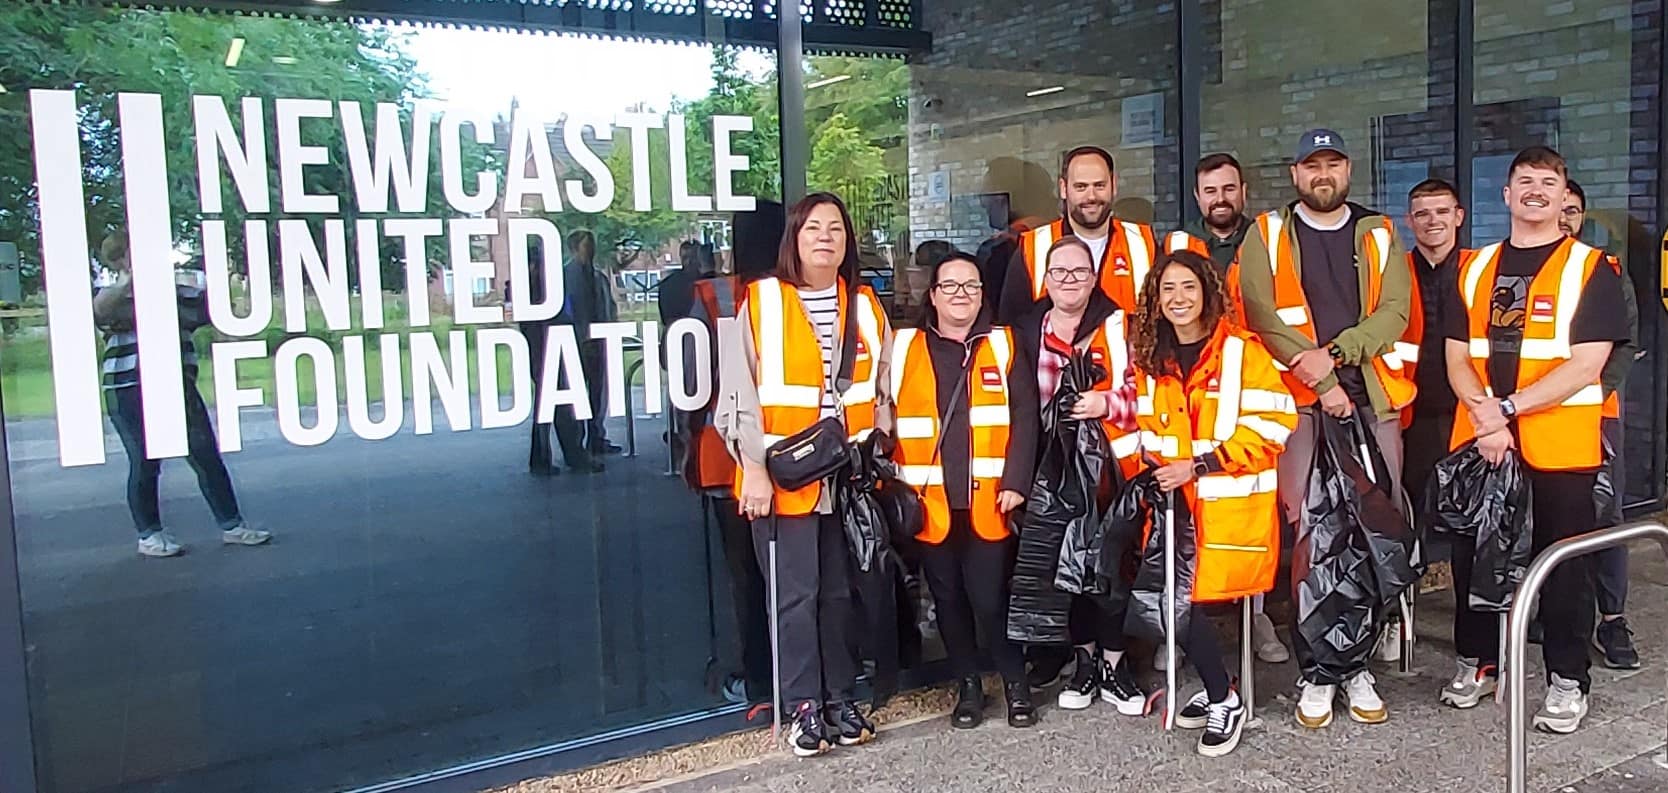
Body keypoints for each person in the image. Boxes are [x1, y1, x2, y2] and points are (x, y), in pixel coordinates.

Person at [1443, 146, 1629, 734]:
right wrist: (1488, 418)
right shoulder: (1473, 267)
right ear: (1505, 195)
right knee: (1474, 557)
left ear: (1563, 194)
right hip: (1483, 440)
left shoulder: (1591, 267)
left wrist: (1507, 409)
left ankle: (1567, 680)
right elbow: (1455, 354)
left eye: (1548, 182)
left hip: (1559, 444)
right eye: (1524, 181)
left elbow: (1587, 364)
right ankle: (1479, 663)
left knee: (1560, 567)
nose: (1535, 191)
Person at [1236, 128, 1414, 728]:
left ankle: (1358, 665)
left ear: (1347, 170)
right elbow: (1258, 314)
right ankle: (1317, 669)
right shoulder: (1265, 234)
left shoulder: (1380, 231)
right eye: (1312, 166)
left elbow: (1395, 312)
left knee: (1372, 525)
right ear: (1295, 174)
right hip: (1298, 406)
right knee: (1310, 531)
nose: (1323, 176)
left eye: (1333, 165)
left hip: (1373, 401)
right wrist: (1320, 382)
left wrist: (1335, 357)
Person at [716, 192, 891, 757]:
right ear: (793, 238)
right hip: (784, 478)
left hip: (847, 481)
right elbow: (738, 396)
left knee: (840, 594)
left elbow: (882, 387)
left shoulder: (865, 306)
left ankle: (840, 697)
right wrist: (754, 470)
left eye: (836, 228)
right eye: (813, 227)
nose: (825, 237)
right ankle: (803, 707)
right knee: (795, 596)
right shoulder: (761, 303)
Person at [1125, 249, 1297, 756]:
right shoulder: (1152, 358)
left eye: (1188, 288)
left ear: (1208, 294)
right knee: (1176, 603)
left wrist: (1200, 466)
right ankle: (1222, 687)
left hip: (1228, 509)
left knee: (1183, 605)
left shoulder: (1246, 352)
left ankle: (1224, 698)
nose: (1178, 299)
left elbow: (1273, 426)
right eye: (1168, 290)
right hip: (1174, 508)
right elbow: (1144, 427)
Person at [880, 251, 1036, 729]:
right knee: (947, 600)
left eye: (970, 285)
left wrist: (1015, 482)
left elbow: (1026, 417)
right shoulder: (906, 347)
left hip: (990, 499)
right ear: (933, 295)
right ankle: (967, 686)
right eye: (950, 286)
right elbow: (881, 413)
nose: (961, 294)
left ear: (982, 294)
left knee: (989, 599)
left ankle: (1015, 682)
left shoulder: (1005, 344)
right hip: (930, 503)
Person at [1006, 236, 1145, 716]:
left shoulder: (1119, 326)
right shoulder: (1024, 332)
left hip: (1108, 470)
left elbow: (1149, 390)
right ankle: (1084, 662)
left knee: (1107, 564)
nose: (1069, 281)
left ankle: (1115, 664)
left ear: (1094, 279)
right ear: (1045, 281)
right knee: (1065, 570)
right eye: (1059, 273)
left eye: (1079, 272)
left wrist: (1107, 403)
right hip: (1051, 469)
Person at [1161, 153, 1283, 667]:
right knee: (1192, 529)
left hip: (1253, 375)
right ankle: (1184, 629)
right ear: (1197, 197)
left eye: (1228, 189)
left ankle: (1258, 617)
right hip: (1194, 379)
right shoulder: (1177, 247)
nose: (1220, 199)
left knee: (1251, 519)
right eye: (1210, 191)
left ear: (1244, 191)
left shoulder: (1270, 240)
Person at [91, 229, 270, 557]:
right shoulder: (109, 291)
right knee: (145, 460)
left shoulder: (179, 291)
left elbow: (217, 311)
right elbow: (100, 312)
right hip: (129, 385)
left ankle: (232, 525)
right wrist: (132, 279)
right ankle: (149, 534)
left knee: (205, 455)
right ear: (119, 258)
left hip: (176, 384)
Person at [682, 203, 784, 705]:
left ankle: (759, 680)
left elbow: (691, 386)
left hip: (727, 462)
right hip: (793, 457)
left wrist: (686, 444)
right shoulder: (795, 295)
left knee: (745, 578)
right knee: (794, 576)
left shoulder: (712, 295)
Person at [1560, 180, 1642, 671]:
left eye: (1573, 210)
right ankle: (1555, 612)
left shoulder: (1605, 270)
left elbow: (1625, 346)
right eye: (1558, 208)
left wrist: (1589, 394)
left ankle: (1612, 620)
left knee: (1605, 516)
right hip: (1540, 418)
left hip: (1597, 414)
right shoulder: (1525, 273)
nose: (1564, 217)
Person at [996, 146, 1158, 324]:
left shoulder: (1144, 243)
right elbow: (1011, 327)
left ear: (1114, 185)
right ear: (1063, 188)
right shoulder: (1033, 247)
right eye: (1081, 187)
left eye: (1099, 185)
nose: (1091, 196)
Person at [520, 239, 599, 475]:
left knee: (552, 407)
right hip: (548, 351)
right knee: (560, 406)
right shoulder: (540, 290)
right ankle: (570, 455)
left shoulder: (533, 289)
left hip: (545, 351)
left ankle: (550, 457)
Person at [564, 230, 622, 457]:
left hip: (600, 342)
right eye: (586, 245)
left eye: (591, 245)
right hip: (578, 343)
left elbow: (609, 307)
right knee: (578, 394)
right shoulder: (566, 276)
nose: (590, 250)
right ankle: (579, 442)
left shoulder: (598, 277)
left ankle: (596, 436)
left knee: (598, 392)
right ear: (574, 248)